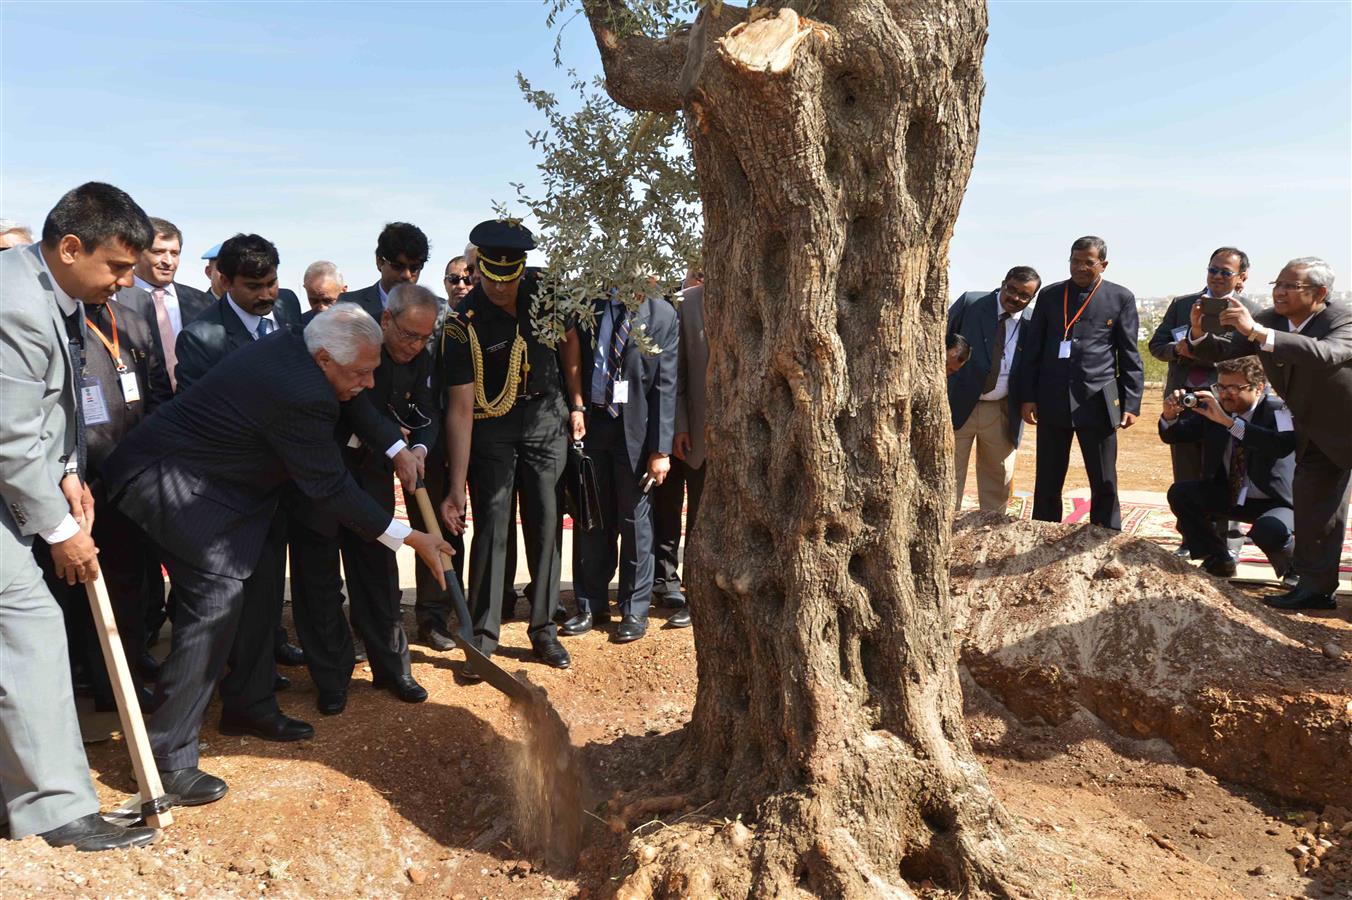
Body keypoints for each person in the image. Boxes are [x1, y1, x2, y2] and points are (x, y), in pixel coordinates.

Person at [103, 305, 451, 805]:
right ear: (326, 358)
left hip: (233, 493)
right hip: (170, 486)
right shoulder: (301, 392)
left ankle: (247, 702)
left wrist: (396, 449)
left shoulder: (306, 346)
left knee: (258, 585)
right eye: (362, 372)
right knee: (216, 598)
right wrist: (410, 536)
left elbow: (356, 405)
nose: (371, 383)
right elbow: (330, 486)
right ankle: (166, 760)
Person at [0, 181, 157, 851]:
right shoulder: (15, 304)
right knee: (32, 628)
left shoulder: (51, 290)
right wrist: (62, 531)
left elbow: (44, 406)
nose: (126, 282)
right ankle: (57, 811)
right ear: (70, 247)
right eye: (117, 267)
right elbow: (7, 433)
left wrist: (66, 473)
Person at [439, 220, 582, 672]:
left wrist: (576, 402)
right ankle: (483, 635)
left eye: (512, 280)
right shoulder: (462, 324)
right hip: (491, 427)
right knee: (492, 529)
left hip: (546, 420)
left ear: (522, 269)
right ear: (479, 269)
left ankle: (544, 629)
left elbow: (569, 341)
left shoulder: (546, 292)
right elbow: (460, 409)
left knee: (545, 524)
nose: (503, 290)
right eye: (493, 281)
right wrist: (456, 485)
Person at [1189, 257, 1350, 611]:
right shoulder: (1271, 320)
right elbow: (1228, 351)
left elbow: (1327, 354)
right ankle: (1315, 589)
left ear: (1320, 293)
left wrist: (1258, 333)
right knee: (1314, 511)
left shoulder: (1342, 318)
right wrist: (1199, 333)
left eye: (1290, 286)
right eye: (1277, 284)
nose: (1279, 292)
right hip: (1315, 432)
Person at [318, 288, 439, 713]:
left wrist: (419, 450)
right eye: (409, 335)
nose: (415, 346)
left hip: (372, 474)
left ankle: (393, 668)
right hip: (327, 469)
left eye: (425, 338)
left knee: (379, 570)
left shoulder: (422, 355)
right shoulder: (358, 341)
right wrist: (397, 449)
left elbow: (427, 409)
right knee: (321, 578)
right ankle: (332, 677)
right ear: (386, 320)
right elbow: (359, 409)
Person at [562, 279, 679, 644]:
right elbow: (575, 360)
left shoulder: (663, 315)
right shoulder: (590, 305)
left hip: (637, 434)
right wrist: (576, 407)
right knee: (591, 516)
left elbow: (666, 384)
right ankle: (590, 604)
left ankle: (634, 609)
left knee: (635, 521)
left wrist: (661, 450)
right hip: (593, 425)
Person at [1019, 236, 1144, 529]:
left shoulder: (1120, 298)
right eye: (1075, 260)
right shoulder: (1050, 295)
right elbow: (1033, 351)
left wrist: (1131, 403)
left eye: (1088, 262)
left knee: (1103, 478)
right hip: (1052, 398)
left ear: (1103, 264)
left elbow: (1128, 354)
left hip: (1097, 400)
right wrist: (1029, 396)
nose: (1080, 267)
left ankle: (1105, 533)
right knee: (1048, 476)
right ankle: (1044, 531)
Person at [1159, 356, 1296, 581]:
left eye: (1234, 387)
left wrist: (1230, 424)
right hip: (1232, 494)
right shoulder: (1217, 410)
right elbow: (1176, 435)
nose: (1224, 394)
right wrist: (1169, 416)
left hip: (1275, 501)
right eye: (1220, 386)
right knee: (1181, 494)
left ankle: (1294, 567)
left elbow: (1279, 445)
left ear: (1258, 387)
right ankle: (1218, 559)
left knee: (1269, 531)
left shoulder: (1278, 410)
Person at [409, 254, 476, 650]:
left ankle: (476, 608)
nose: (461, 285)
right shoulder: (431, 328)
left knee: (475, 531)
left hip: (484, 444)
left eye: (468, 278)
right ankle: (434, 617)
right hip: (433, 447)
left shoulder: (482, 325)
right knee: (436, 528)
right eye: (453, 279)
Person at [946, 267, 1038, 512]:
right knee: (947, 474)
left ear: (1031, 298)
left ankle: (989, 531)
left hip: (1001, 410)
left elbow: (1032, 364)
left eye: (1024, 296)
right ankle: (943, 530)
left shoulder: (1031, 321)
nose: (1015, 298)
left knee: (998, 478)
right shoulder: (971, 303)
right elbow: (941, 340)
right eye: (1012, 289)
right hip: (956, 404)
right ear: (1003, 284)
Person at [651, 276, 708, 630]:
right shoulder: (687, 304)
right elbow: (678, 373)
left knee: (705, 518)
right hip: (686, 433)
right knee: (667, 510)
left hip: (729, 434)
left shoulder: (747, 293)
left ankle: (697, 594)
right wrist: (681, 425)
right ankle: (666, 583)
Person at [131, 218, 212, 391]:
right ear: (136, 253)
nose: (168, 261)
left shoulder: (202, 302)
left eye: (174, 253)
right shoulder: (115, 299)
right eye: (158, 252)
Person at [340, 222, 430, 320]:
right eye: (398, 266)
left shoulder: (438, 311)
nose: (407, 275)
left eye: (414, 268)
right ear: (379, 262)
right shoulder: (348, 306)